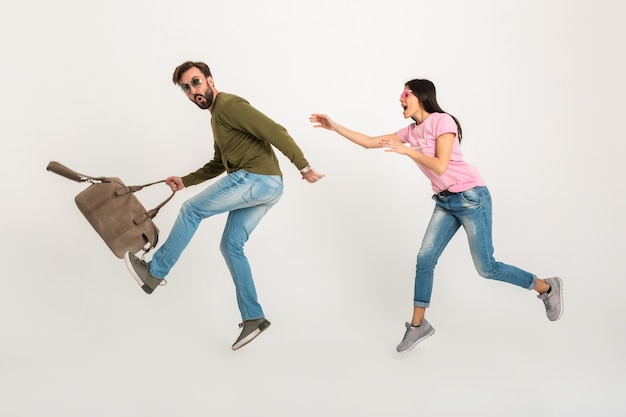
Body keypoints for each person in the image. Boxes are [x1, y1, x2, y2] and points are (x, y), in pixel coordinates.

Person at [310, 79, 563, 353]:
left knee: (486, 267)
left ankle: (546, 288)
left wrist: (407, 151)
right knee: (424, 258)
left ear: (419, 95)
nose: (400, 100)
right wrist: (333, 126)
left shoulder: (442, 121)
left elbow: (441, 165)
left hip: (470, 198)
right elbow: (370, 142)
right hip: (445, 202)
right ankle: (418, 326)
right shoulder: (411, 131)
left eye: (404, 94)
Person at [125, 61, 324, 351]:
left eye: (195, 82)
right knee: (231, 245)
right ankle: (253, 318)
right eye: (186, 88)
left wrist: (303, 165)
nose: (193, 91)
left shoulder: (229, 105)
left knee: (191, 211)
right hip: (268, 187)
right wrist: (185, 180)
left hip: (256, 178)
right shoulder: (216, 117)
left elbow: (274, 130)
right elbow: (219, 164)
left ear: (209, 80)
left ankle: (154, 272)